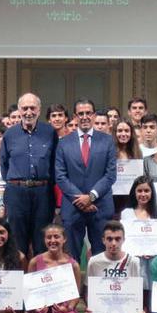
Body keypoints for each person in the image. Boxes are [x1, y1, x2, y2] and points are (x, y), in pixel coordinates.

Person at [55, 98, 117, 260]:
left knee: (102, 256)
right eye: (80, 114)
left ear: (94, 115)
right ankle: (75, 286)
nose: (84, 117)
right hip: (73, 207)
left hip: (100, 205)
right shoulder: (63, 143)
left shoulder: (107, 141)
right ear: (75, 117)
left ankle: (99, 287)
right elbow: (60, 176)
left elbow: (110, 175)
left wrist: (90, 197)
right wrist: (80, 199)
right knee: (70, 257)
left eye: (88, 113)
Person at [1, 92, 58, 256]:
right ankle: (20, 279)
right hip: (16, 192)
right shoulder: (9, 134)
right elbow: (4, 166)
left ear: (39, 110)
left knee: (42, 241)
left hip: (43, 193)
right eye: (24, 108)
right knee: (17, 242)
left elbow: (55, 163)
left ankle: (39, 280)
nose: (28, 112)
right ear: (19, 110)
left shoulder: (50, 132)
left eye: (32, 108)